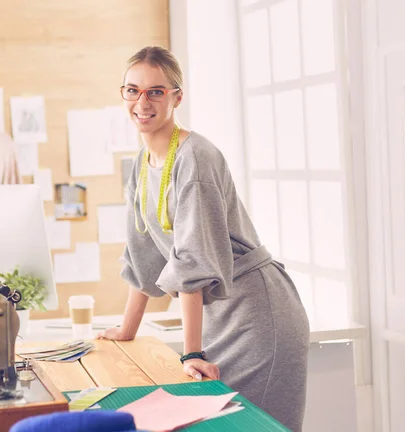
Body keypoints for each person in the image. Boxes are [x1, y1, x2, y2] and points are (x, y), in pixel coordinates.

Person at [97, 46, 310, 431]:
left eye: (156, 92)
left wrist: (191, 351)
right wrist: (127, 331)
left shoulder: (194, 158)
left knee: (253, 427)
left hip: (257, 317)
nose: (142, 102)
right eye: (132, 90)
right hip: (219, 317)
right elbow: (144, 254)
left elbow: (192, 261)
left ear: (177, 97)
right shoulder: (143, 164)